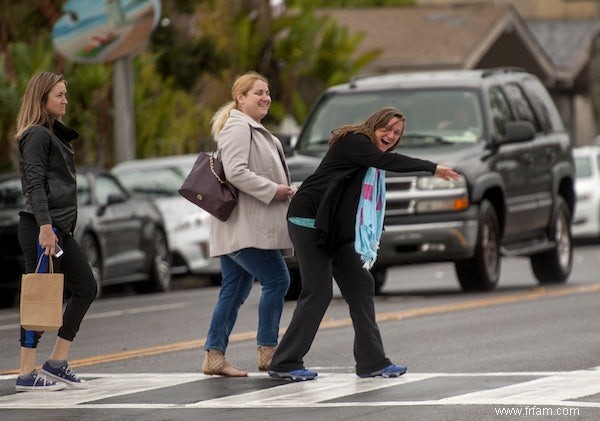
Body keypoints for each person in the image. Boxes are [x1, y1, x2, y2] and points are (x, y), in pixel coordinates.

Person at [268, 107, 460, 381]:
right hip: (309, 221)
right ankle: (285, 362)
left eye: (397, 133)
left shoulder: (370, 158)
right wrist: (432, 168)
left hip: (335, 227)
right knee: (318, 292)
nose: (391, 136)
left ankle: (372, 362)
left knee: (361, 285)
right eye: (387, 129)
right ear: (374, 125)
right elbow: (391, 162)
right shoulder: (355, 142)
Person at [202, 71, 295, 377]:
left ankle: (214, 357)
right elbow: (236, 172)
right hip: (244, 228)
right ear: (240, 97)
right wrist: (274, 190)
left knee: (234, 290)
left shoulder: (252, 128)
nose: (265, 97)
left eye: (267, 92)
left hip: (243, 227)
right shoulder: (238, 127)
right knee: (278, 280)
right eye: (258, 92)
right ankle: (268, 352)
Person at [14, 71, 97, 391]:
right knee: (39, 297)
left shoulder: (52, 133)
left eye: (65, 93)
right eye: (59, 95)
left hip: (58, 227)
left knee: (86, 287)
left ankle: (57, 363)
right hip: (41, 227)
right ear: (42, 100)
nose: (66, 100)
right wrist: (45, 228)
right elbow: (34, 184)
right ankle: (25, 373)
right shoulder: (36, 134)